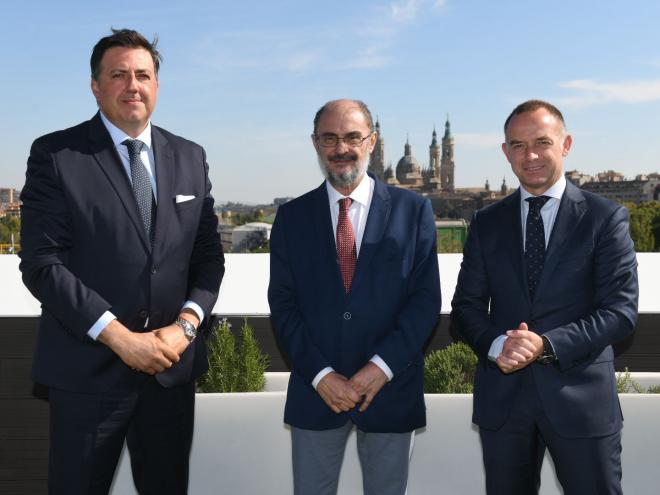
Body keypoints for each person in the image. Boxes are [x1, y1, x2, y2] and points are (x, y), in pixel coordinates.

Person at [19, 28, 224, 494]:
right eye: (119, 75)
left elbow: (208, 259)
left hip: (170, 374)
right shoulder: (57, 155)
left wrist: (186, 327)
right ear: (96, 85)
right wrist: (120, 338)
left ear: (156, 85)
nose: (133, 85)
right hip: (85, 376)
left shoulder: (191, 157)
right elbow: (42, 263)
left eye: (143, 75)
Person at [450, 99, 638, 494]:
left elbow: (620, 312)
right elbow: (465, 309)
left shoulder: (605, 217)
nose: (530, 155)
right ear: (505, 152)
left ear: (565, 144)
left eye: (542, 142)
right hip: (503, 404)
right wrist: (500, 344)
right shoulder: (486, 222)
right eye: (517, 145)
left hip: (581, 403)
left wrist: (545, 345)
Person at [268, 99, 440, 495]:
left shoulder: (413, 211)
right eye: (329, 138)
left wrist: (380, 367)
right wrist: (321, 375)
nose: (341, 147)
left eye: (351, 137)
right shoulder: (292, 217)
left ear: (372, 141)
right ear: (315, 143)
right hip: (316, 393)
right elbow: (284, 305)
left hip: (390, 389)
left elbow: (425, 301)